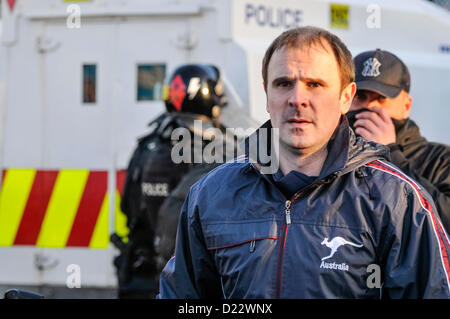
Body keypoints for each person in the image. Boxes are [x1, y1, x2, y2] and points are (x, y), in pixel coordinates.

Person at [158, 26, 450, 299]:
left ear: (345, 97)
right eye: (284, 83)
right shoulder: (211, 194)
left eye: (315, 84)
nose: (298, 99)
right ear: (267, 94)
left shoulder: (397, 199)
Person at [111, 63, 232, 299]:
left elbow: (128, 204)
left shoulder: (147, 145)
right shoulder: (216, 150)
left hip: (139, 273)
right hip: (184, 279)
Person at [346, 49, 450, 234]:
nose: (370, 107)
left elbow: (444, 223)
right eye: (361, 97)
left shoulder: (440, 159)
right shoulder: (327, 155)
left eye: (381, 98)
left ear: (406, 106)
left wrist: (391, 154)